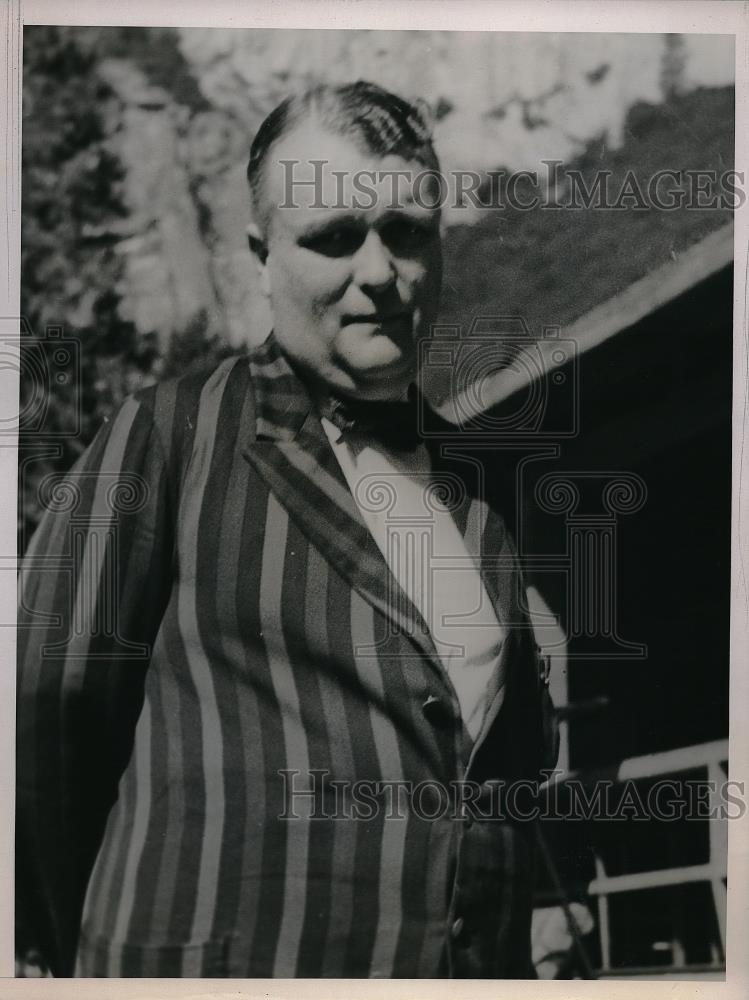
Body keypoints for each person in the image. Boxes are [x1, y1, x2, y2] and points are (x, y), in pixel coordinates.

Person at [17, 80, 557, 979]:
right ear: (260, 257)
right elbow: (45, 706)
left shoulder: (485, 488)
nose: (380, 272)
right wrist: (66, 950)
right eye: (335, 238)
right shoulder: (167, 433)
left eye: (406, 232)